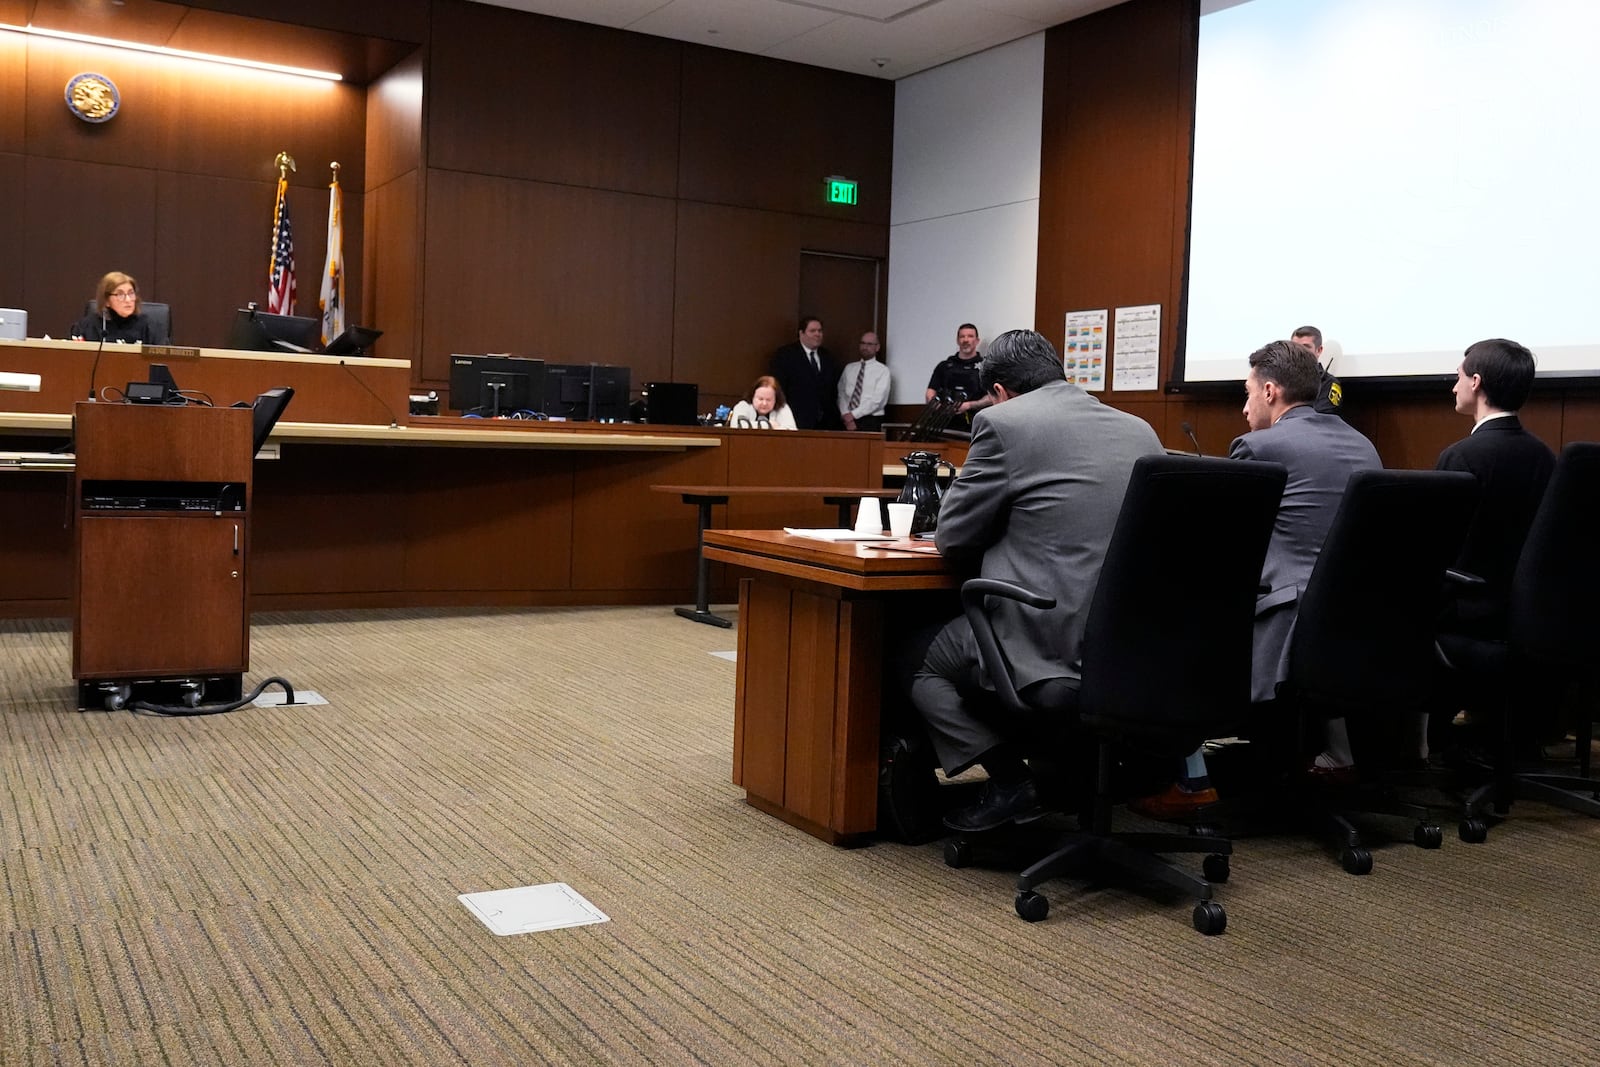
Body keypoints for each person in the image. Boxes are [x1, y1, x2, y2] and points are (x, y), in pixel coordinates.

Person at [909, 328, 1164, 833]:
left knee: (915, 657)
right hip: (1136, 647)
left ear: (1000, 391)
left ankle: (1008, 783)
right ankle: (1067, 775)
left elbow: (953, 538)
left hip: (1050, 633)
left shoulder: (1002, 423)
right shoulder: (1139, 429)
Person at [1131, 340, 1381, 818]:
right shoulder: (1362, 444)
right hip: (1356, 622)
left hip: (1287, 620)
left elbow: (1224, 544)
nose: (1243, 407)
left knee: (1168, 624)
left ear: (1270, 391)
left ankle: (1192, 781)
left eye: (1247, 394)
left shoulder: (1261, 447)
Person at [1434, 338, 1555, 637]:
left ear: (1475, 382)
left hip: (1464, 614)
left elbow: (1437, 547)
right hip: (1528, 616)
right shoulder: (1546, 456)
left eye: (1458, 377)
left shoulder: (1461, 456)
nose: (1453, 387)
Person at [769, 316, 840, 430]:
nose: (817, 334)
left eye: (820, 331)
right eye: (812, 331)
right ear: (801, 333)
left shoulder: (828, 357)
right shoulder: (785, 355)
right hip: (796, 420)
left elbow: (833, 390)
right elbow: (779, 388)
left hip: (826, 423)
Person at [71, 272, 169, 344]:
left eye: (131, 293)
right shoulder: (87, 327)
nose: (128, 299)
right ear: (106, 301)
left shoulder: (151, 327)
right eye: (120, 294)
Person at [924, 323, 993, 419]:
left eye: (970, 336)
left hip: (975, 421)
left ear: (977, 341)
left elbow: (992, 397)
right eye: (962, 336)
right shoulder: (944, 366)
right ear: (957, 340)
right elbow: (930, 392)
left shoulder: (986, 367)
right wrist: (937, 406)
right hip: (944, 421)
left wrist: (969, 405)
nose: (965, 340)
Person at [836, 331, 891, 432]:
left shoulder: (882, 370)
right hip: (846, 420)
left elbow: (877, 401)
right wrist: (845, 415)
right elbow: (841, 394)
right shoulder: (849, 368)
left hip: (870, 420)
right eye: (862, 343)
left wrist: (853, 415)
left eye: (869, 344)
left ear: (877, 347)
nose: (865, 347)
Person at [1291, 324, 1346, 417]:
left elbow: (1319, 416)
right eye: (1295, 347)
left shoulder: (1329, 383)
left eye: (1306, 347)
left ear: (1319, 350)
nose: (1299, 352)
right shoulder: (1281, 379)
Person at [727, 375, 797, 430]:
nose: (764, 403)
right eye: (760, 399)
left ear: (776, 399)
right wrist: (770, 425)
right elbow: (737, 426)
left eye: (769, 400)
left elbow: (792, 431)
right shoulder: (742, 406)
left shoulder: (782, 407)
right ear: (752, 396)